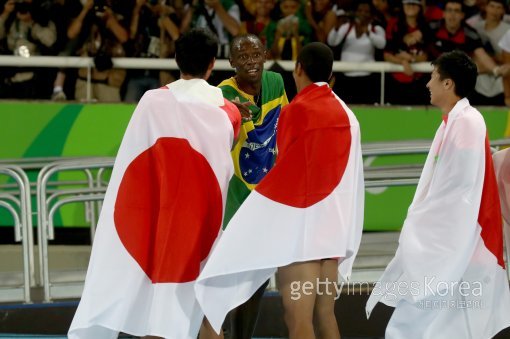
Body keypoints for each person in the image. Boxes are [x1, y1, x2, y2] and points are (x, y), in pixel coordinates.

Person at [68, 28, 241, 339]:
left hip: (161, 221)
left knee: (158, 310)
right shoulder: (228, 113)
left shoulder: (151, 101)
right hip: (204, 224)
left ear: (176, 59)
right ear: (213, 64)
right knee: (206, 317)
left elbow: (135, 157)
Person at [195, 42, 364, 339]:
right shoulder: (348, 114)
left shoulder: (297, 110)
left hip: (303, 234)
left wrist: (261, 215)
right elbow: (351, 177)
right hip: (333, 232)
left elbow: (284, 170)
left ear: (298, 69)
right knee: (325, 316)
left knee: (297, 320)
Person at [366, 50, 510, 338]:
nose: (427, 84)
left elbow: (461, 193)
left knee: (434, 326)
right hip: (447, 244)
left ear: (448, 84)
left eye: (432, 77)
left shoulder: (468, 122)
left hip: (459, 246)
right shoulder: (455, 121)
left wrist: (420, 226)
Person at [214, 33, 288, 339]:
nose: (250, 63)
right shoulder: (221, 94)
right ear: (231, 63)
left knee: (259, 278)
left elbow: (286, 125)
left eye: (255, 55)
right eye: (242, 58)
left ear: (265, 55)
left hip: (268, 201)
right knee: (229, 278)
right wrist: (231, 116)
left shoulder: (276, 84)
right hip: (233, 199)